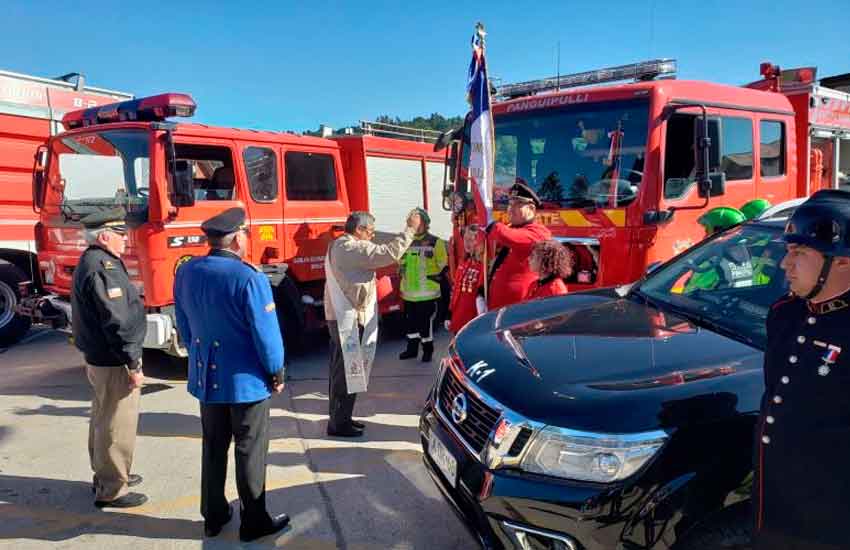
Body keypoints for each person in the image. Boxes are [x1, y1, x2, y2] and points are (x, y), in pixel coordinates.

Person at [173, 207, 289, 542]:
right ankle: (253, 522)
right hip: (246, 382)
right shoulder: (249, 277)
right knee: (249, 451)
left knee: (213, 446)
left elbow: (183, 322)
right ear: (239, 237)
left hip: (206, 377)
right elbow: (267, 335)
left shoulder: (188, 270)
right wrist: (276, 371)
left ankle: (213, 515)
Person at [753, 189, 850, 550]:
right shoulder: (785, 314)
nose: (784, 264)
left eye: (799, 253)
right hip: (774, 506)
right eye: (787, 252)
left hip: (830, 521)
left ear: (841, 261)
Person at [71, 207, 147, 509]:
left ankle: (106, 474)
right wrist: (133, 363)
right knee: (117, 422)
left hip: (100, 357)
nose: (124, 241)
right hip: (113, 359)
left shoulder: (93, 261)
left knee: (103, 417)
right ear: (104, 236)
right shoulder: (103, 266)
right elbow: (118, 322)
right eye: (120, 235)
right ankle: (113, 488)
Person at [324, 210, 418, 437]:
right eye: (370, 232)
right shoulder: (352, 247)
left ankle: (342, 418)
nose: (372, 236)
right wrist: (411, 229)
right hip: (347, 318)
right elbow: (388, 254)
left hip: (344, 316)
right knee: (347, 372)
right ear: (358, 230)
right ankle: (339, 424)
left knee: (345, 371)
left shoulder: (339, 245)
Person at [486, 182, 552, 309]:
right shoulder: (510, 228)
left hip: (519, 309)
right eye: (510, 204)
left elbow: (509, 236)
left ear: (532, 209)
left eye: (518, 204)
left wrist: (489, 222)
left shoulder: (539, 232)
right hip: (499, 307)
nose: (511, 208)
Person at [398, 208, 448, 363]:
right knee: (410, 324)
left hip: (428, 293)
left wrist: (434, 277)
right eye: (411, 223)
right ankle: (412, 350)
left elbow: (443, 265)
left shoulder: (435, 242)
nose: (414, 226)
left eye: (417, 223)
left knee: (425, 325)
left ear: (425, 224)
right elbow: (400, 262)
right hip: (409, 292)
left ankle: (427, 351)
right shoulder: (406, 241)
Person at [446, 225, 486, 334]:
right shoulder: (464, 262)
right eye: (465, 239)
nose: (466, 243)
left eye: (471, 240)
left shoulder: (483, 265)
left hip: (473, 322)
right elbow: (456, 291)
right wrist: (449, 313)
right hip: (458, 320)